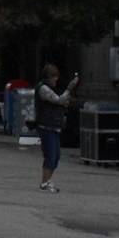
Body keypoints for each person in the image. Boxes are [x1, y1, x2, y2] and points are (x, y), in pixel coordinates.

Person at [35, 63, 77, 193]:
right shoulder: (43, 89)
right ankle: (45, 182)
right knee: (51, 155)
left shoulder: (47, 88)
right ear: (47, 77)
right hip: (46, 125)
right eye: (54, 77)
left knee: (56, 155)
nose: (56, 80)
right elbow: (58, 100)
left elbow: (60, 101)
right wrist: (69, 88)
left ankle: (46, 181)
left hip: (53, 125)